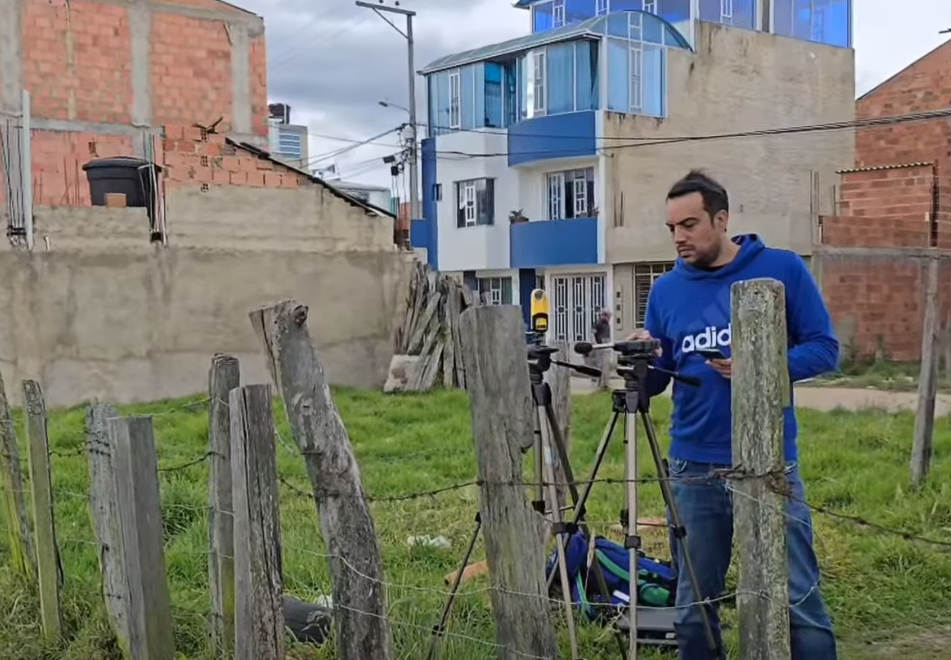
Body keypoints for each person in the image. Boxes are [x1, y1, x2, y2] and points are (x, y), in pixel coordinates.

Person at [631, 170, 839, 660]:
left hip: (769, 463)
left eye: (690, 224)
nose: (679, 237)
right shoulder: (665, 290)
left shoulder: (781, 269)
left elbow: (825, 349)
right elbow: (659, 379)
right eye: (672, 228)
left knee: (797, 598)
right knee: (693, 606)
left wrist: (759, 364)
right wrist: (643, 360)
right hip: (693, 466)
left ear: (721, 219)